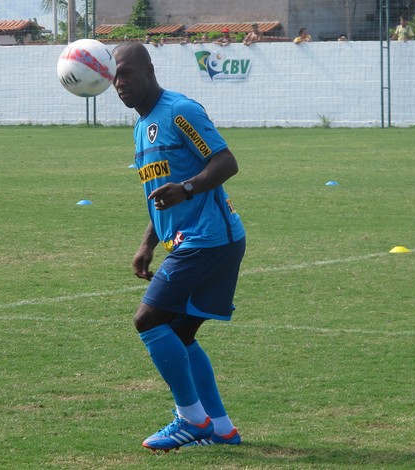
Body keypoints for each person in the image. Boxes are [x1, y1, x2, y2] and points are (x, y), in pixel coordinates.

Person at [111, 41, 246, 451]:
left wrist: (188, 188)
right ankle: (221, 428)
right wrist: (147, 243)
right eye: (114, 77)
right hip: (195, 241)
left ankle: (191, 419)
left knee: (148, 320)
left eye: (127, 73)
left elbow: (225, 162)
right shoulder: (141, 125)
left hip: (209, 240)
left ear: (150, 70)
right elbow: (159, 193)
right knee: (181, 335)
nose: (120, 84)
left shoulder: (180, 110)